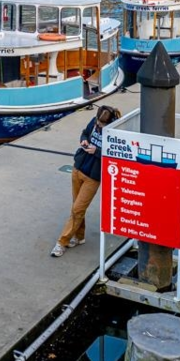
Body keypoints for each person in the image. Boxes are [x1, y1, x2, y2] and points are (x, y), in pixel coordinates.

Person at [52, 105, 120, 257]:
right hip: (78, 168)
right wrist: (83, 141)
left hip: (93, 177)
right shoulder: (93, 122)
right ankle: (79, 236)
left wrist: (97, 151)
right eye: (97, 123)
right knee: (77, 206)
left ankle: (62, 242)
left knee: (77, 209)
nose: (98, 126)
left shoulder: (114, 135)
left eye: (102, 125)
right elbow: (84, 133)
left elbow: (114, 155)